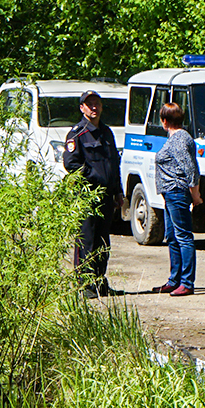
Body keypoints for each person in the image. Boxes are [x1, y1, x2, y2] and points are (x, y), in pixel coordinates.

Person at [61, 89, 122, 297]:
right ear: (82, 108)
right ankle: (84, 284)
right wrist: (93, 176)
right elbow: (71, 163)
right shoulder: (77, 133)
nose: (94, 107)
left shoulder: (107, 133)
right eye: (89, 104)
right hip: (87, 196)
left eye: (97, 103)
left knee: (103, 241)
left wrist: (118, 190)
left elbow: (114, 163)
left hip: (106, 196)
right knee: (86, 240)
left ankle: (99, 281)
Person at [151, 102, 202, 297]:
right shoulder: (177, 138)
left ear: (164, 121)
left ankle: (187, 282)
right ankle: (175, 280)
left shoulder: (179, 139)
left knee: (183, 237)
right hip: (171, 194)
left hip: (177, 192)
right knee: (172, 237)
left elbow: (191, 169)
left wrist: (195, 195)